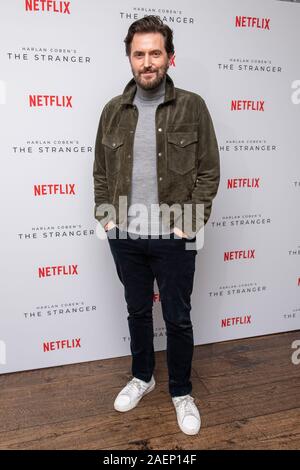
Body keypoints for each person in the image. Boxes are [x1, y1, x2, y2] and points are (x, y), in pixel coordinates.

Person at [93, 15, 220, 436]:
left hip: (174, 235)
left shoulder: (192, 106)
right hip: (126, 236)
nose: (147, 62)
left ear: (170, 57)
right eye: (139, 54)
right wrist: (106, 218)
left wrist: (190, 221)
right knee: (136, 311)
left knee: (179, 317)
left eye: (155, 53)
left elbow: (209, 171)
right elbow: (99, 172)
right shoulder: (112, 111)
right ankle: (143, 377)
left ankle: (182, 391)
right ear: (129, 59)